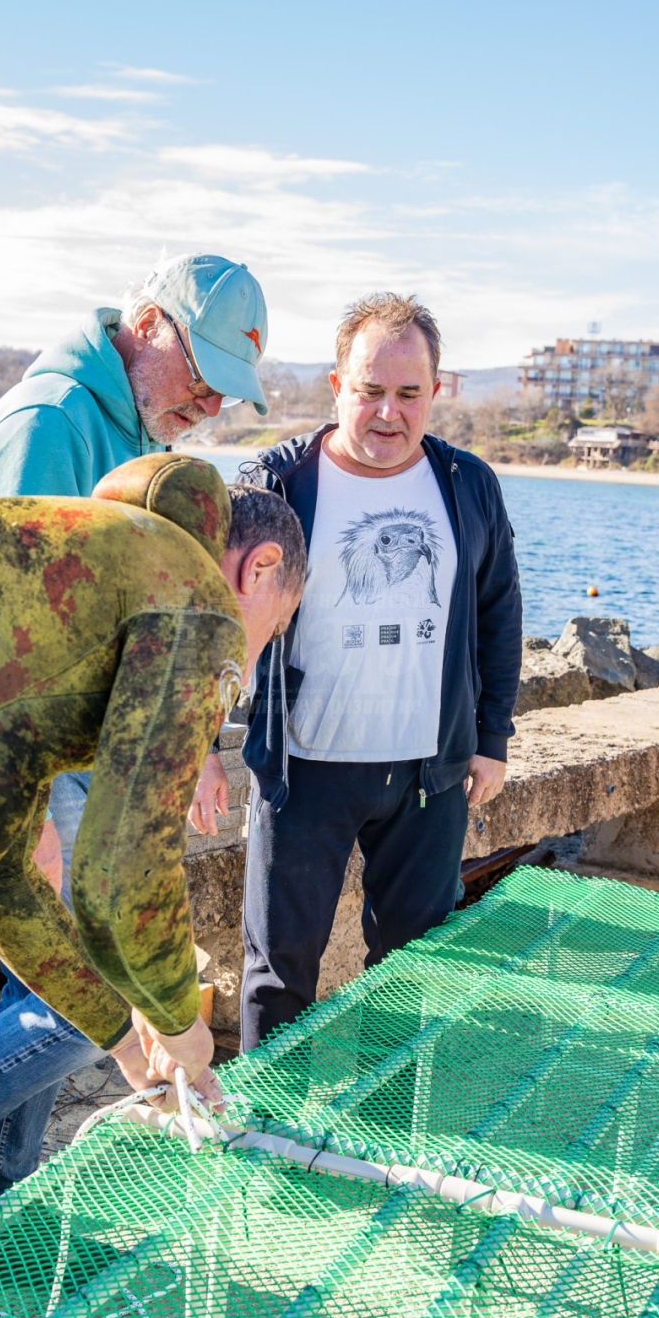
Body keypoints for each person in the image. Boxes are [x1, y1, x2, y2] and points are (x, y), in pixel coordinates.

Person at [0, 453, 305, 1286]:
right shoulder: (193, 595)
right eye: (272, 630)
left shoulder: (65, 565)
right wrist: (181, 1026)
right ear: (258, 570)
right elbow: (120, 878)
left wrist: (124, 1046)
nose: (245, 668)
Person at [0, 252, 270, 1248]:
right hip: (1, 760)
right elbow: (1, 647)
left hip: (63, 752)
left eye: (227, 391)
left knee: (49, 983)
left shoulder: (133, 432)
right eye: (203, 372)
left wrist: (182, 747)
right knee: (81, 982)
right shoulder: (51, 425)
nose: (208, 402)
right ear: (147, 324)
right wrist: (32, 830)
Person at [189, 293, 522, 1051]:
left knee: (414, 972)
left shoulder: (469, 485)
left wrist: (492, 736)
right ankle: (265, 1143)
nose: (387, 412)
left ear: (435, 393)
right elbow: (216, 621)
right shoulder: (278, 486)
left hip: (425, 778)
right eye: (370, 390)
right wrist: (201, 745)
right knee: (278, 976)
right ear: (337, 385)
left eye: (408, 394)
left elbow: (499, 611)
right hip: (303, 771)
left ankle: (387, 1135)